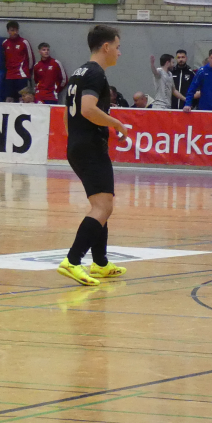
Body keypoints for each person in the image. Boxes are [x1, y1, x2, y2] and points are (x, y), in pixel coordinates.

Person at [58, 24, 133, 287]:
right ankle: (72, 260)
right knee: (103, 207)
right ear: (106, 46)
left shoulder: (78, 73)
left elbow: (67, 113)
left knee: (103, 203)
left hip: (80, 145)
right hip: (90, 147)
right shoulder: (95, 73)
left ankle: (100, 263)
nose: (119, 52)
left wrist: (76, 140)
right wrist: (117, 124)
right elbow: (88, 109)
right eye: (118, 47)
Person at [1, 21, 34, 102]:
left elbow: (31, 59)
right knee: (9, 99)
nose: (15, 32)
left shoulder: (24, 42)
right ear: (8, 31)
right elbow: (3, 59)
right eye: (12, 30)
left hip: (22, 76)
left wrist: (27, 72)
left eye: (16, 30)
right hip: (9, 77)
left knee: (23, 99)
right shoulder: (5, 43)